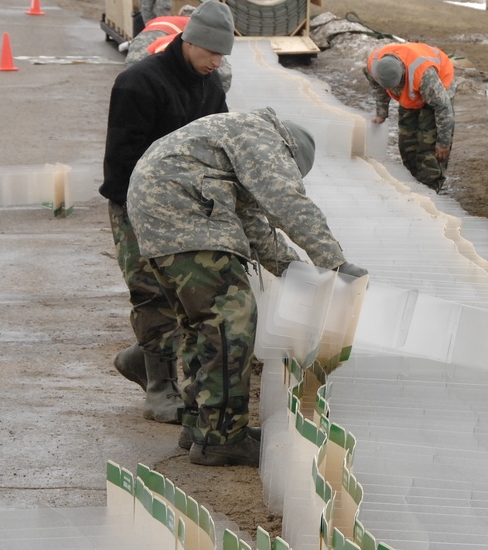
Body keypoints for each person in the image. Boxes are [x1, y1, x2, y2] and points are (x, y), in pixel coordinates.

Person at [126, 108, 368, 466]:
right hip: (186, 214)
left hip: (160, 214)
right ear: (290, 153)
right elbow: (287, 201)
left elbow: (253, 225)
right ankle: (222, 438)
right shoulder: (264, 137)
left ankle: (200, 425)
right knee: (230, 324)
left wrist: (296, 272)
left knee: (202, 326)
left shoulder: (231, 139)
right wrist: (333, 263)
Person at [99, 0, 235, 425]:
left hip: (182, 207)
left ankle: (143, 358)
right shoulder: (139, 84)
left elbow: (219, 149)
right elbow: (121, 159)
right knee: (150, 291)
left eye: (223, 54)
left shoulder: (211, 88)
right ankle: (161, 387)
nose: (217, 61)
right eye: (211, 51)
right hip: (134, 204)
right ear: (189, 41)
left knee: (183, 296)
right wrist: (139, 215)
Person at [365, 42, 455, 193]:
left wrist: (443, 143)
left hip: (439, 85)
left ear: (402, 74)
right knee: (407, 143)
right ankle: (413, 181)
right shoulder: (374, 65)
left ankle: (430, 189)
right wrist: (381, 113)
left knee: (428, 145)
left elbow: (443, 108)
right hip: (412, 91)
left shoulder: (424, 76)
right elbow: (377, 87)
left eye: (396, 85)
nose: (393, 90)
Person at [125, 5, 233, 92]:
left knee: (133, 82)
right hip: (153, 45)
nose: (217, 62)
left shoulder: (183, 25)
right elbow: (224, 75)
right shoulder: (205, 32)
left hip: (142, 41)